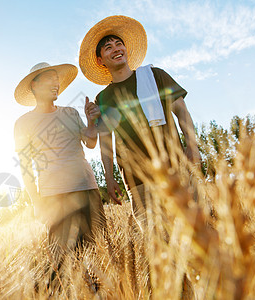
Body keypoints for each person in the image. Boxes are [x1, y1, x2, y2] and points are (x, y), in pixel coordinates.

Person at [78, 15, 201, 213]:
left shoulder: (155, 76)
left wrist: (192, 146)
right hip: (138, 180)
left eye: (119, 44)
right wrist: (109, 179)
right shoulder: (102, 98)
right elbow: (106, 142)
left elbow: (182, 112)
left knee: (196, 229)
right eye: (108, 47)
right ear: (100, 60)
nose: (116, 48)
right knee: (155, 241)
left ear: (126, 50)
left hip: (176, 169)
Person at [13, 62, 106, 290]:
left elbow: (90, 141)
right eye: (49, 79)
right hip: (54, 197)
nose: (56, 83)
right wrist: (36, 203)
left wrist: (92, 121)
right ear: (33, 85)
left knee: (99, 257)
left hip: (86, 188)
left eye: (57, 79)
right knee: (62, 264)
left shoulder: (70, 112)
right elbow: (25, 168)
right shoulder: (23, 123)